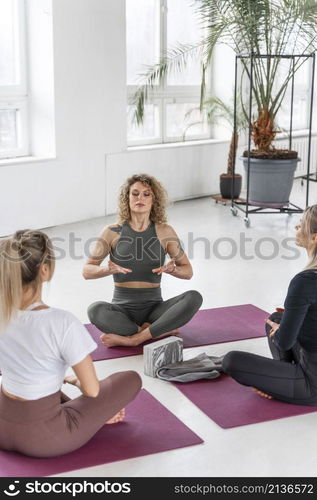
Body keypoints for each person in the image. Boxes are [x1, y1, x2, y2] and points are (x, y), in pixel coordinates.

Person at [0, 230, 141, 458]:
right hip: (45, 439)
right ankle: (93, 417)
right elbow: (92, 390)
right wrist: (75, 381)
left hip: (3, 427)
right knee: (130, 379)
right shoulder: (61, 322)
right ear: (44, 271)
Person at [84, 173, 203, 347]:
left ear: (154, 200)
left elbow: (188, 271)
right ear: (127, 198)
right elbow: (87, 271)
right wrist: (107, 270)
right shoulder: (111, 231)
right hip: (122, 310)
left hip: (155, 310)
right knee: (95, 310)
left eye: (146, 194)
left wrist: (173, 270)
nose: (140, 198)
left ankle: (134, 338)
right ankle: (157, 331)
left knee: (194, 297)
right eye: (135, 193)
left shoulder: (165, 231)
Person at [222, 204, 317, 405]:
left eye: (300, 226)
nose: (296, 228)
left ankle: (280, 383)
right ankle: (281, 379)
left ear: (314, 238)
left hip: (312, 384)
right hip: (308, 358)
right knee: (274, 319)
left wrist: (283, 329)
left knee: (231, 361)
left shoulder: (305, 281)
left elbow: (284, 342)